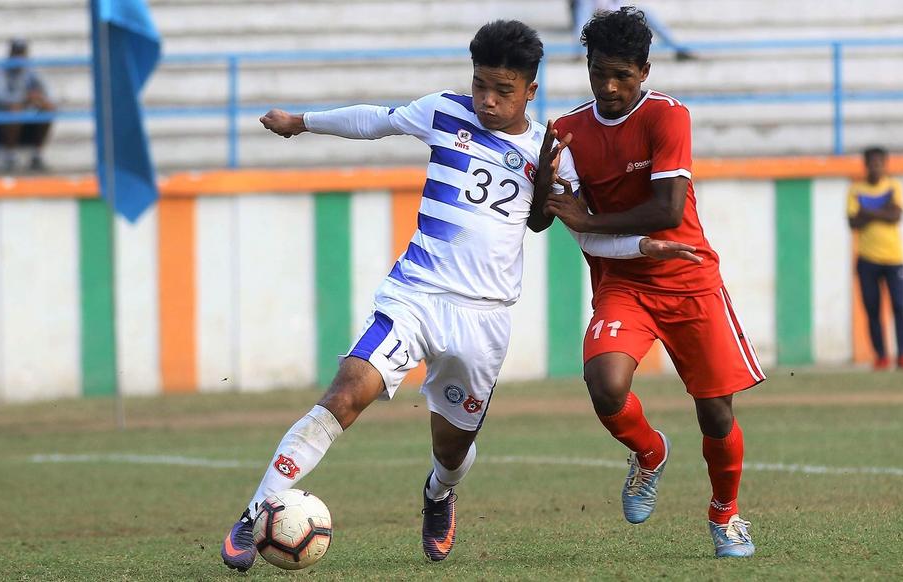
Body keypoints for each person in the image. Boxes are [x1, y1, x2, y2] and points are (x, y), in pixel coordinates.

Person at [220, 19, 701, 572]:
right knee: (346, 393)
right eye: (480, 86)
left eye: (503, 91)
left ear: (530, 91)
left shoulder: (551, 151)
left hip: (484, 318)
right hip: (414, 295)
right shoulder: (444, 111)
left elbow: (572, 229)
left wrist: (643, 246)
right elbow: (376, 120)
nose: (488, 101)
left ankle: (439, 495)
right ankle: (253, 511)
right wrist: (302, 122)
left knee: (451, 450)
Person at [542, 7, 761, 558]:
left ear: (644, 70)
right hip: (624, 281)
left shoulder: (668, 117)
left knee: (715, 411)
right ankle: (649, 452)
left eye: (621, 75)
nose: (609, 87)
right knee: (605, 382)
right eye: (598, 74)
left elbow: (666, 209)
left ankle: (725, 513)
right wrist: (545, 189)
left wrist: (588, 220)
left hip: (687, 277)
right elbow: (550, 216)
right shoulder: (567, 131)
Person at [848, 146, 903, 371]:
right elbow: (853, 223)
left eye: (879, 163)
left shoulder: (894, 186)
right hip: (867, 259)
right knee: (872, 309)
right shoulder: (856, 189)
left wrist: (867, 211)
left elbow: (896, 216)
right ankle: (881, 356)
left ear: (885, 164)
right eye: (871, 163)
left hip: (895, 259)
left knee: (900, 306)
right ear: (866, 165)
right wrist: (883, 210)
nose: (875, 167)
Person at [0, 38, 55, 172]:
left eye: (21, 53)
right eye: (16, 53)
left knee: (48, 108)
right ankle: (10, 156)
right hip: (2, 125)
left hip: (26, 121)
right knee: (13, 110)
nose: (19, 57)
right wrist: (25, 99)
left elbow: (47, 95)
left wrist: (37, 99)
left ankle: (36, 155)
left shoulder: (31, 72)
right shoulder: (0, 73)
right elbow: (1, 99)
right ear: (10, 54)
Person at [569, 1, 695, 61]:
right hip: (595, 17)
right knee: (583, 9)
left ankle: (677, 47)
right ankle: (579, 50)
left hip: (615, 15)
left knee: (646, 13)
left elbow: (621, 7)